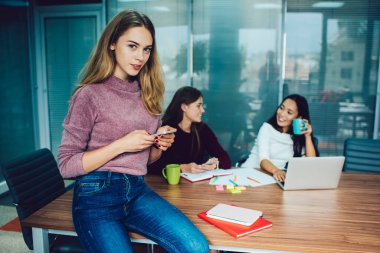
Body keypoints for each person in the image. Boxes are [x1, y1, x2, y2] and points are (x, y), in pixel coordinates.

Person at [57, 10, 209, 253]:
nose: (140, 56)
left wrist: (158, 146)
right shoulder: (88, 95)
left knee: (196, 247)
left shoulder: (148, 95)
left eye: (147, 49)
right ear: (112, 43)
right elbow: (65, 165)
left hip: (137, 189)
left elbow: (143, 161)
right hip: (96, 195)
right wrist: (121, 144)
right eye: (133, 46)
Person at [148, 86, 231, 175]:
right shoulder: (166, 129)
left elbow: (225, 160)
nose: (202, 110)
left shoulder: (202, 129)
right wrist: (181, 168)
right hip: (165, 185)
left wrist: (215, 164)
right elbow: (151, 166)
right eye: (198, 106)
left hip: (195, 185)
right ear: (184, 107)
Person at [241, 94, 318, 182]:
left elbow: (311, 163)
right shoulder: (266, 128)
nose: (282, 114)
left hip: (274, 179)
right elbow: (263, 159)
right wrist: (277, 171)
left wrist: (307, 136)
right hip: (252, 173)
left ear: (299, 118)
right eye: (281, 108)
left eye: (289, 112)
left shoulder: (298, 136)